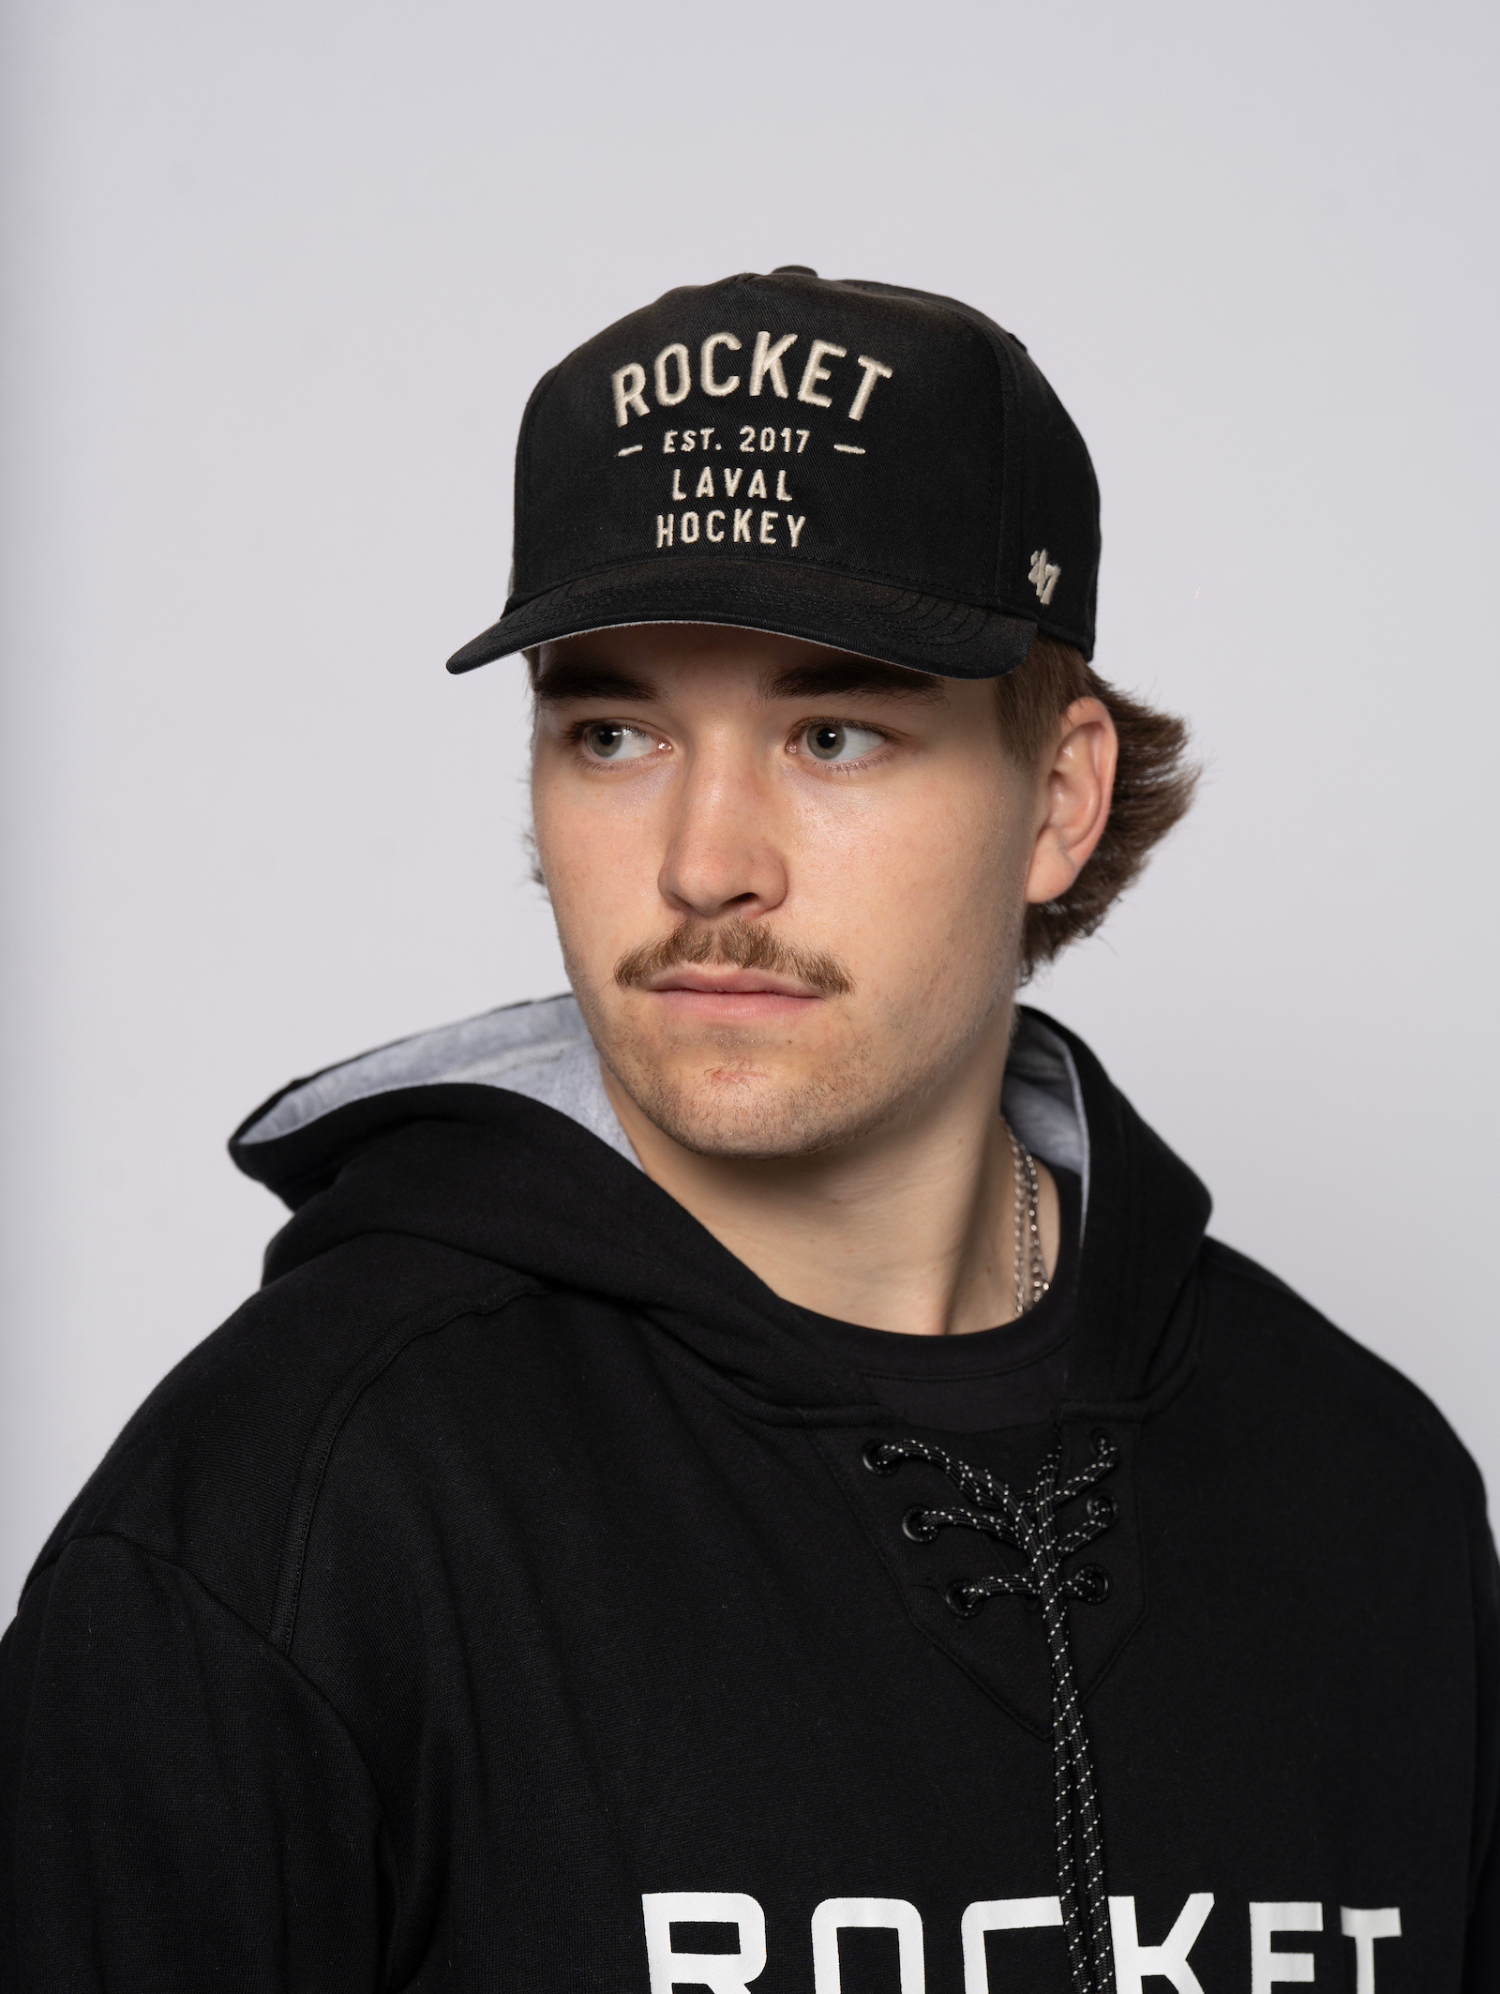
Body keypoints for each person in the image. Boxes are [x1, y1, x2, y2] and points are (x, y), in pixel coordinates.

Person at [0, 267, 1493, 1994]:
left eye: (833, 733)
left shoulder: (1367, 1491)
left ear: (1060, 797)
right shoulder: (290, 1512)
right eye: (613, 731)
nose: (706, 862)